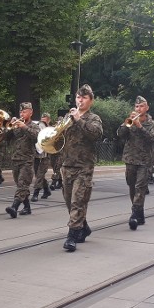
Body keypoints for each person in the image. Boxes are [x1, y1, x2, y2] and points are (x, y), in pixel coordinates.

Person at [59, 85, 103, 252]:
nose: (80, 100)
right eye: (78, 97)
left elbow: (95, 134)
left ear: (90, 101)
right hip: (67, 164)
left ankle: (71, 237)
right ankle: (83, 227)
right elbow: (59, 138)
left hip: (84, 166)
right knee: (69, 201)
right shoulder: (67, 117)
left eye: (84, 97)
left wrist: (79, 119)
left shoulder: (94, 118)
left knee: (78, 201)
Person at [117, 95, 154, 230]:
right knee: (131, 186)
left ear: (147, 108)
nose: (139, 108)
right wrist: (127, 123)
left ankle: (134, 214)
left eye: (141, 106)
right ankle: (139, 212)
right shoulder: (130, 121)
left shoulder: (152, 124)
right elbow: (120, 134)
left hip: (145, 160)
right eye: (136, 106)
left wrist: (140, 126)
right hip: (130, 159)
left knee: (140, 187)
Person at [2, 102, 41, 217]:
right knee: (20, 185)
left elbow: (37, 137)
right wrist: (9, 126)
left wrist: (24, 127)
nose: (22, 114)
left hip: (27, 160)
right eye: (20, 111)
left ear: (31, 112)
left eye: (24, 111)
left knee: (22, 185)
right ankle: (27, 207)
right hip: (15, 159)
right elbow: (6, 138)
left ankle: (14, 207)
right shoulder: (17, 125)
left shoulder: (34, 126)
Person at [31, 113, 52, 202]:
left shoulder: (51, 129)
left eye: (45, 118)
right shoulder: (38, 126)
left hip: (46, 155)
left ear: (49, 120)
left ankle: (36, 193)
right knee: (37, 174)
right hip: (36, 154)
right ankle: (46, 189)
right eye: (42, 117)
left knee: (40, 174)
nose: (43, 119)